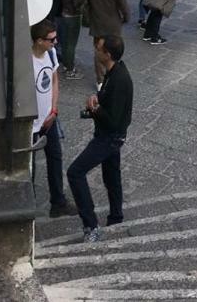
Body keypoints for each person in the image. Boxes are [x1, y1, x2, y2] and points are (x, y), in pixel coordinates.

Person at [67, 35, 134, 243]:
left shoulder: (120, 79)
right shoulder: (114, 72)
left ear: (107, 54)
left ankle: (91, 225)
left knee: (75, 172)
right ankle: (116, 218)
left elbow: (113, 120)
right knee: (112, 177)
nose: (95, 51)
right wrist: (98, 101)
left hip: (109, 137)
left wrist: (94, 108)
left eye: (98, 49)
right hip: (110, 136)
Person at [30, 19, 74, 218]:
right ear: (39, 41)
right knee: (28, 166)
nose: (55, 42)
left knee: (55, 159)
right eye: (51, 39)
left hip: (49, 119)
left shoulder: (51, 53)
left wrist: (54, 110)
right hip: (31, 124)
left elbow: (55, 80)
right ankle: (27, 205)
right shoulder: (26, 61)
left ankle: (58, 202)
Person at [83, 0, 129, 86]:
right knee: (113, 51)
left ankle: (100, 80)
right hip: (113, 24)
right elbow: (123, 5)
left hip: (97, 23)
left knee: (99, 51)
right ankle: (112, 75)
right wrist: (125, 18)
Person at [59, 0, 84, 78]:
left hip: (65, 14)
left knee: (66, 43)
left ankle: (66, 65)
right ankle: (70, 69)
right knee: (71, 44)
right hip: (72, 17)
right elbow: (76, 4)